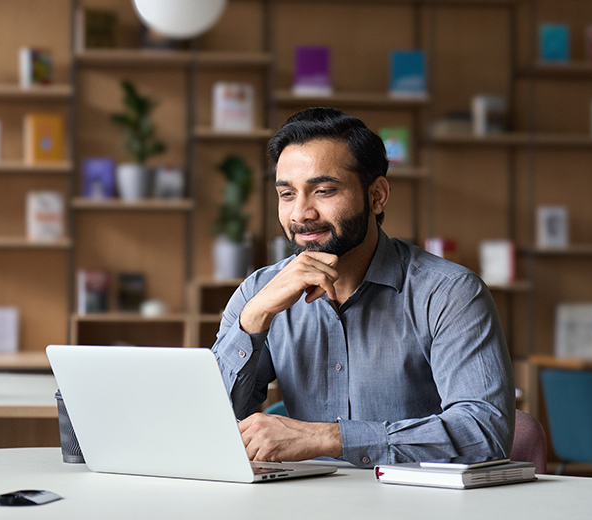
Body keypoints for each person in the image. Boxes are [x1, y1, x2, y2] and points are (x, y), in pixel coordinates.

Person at [211, 107, 514, 467]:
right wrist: (254, 319)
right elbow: (205, 426)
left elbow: (484, 433)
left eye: (323, 190)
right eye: (287, 194)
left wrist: (330, 438)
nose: (300, 214)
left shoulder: (450, 293)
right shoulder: (258, 293)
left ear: (377, 196)